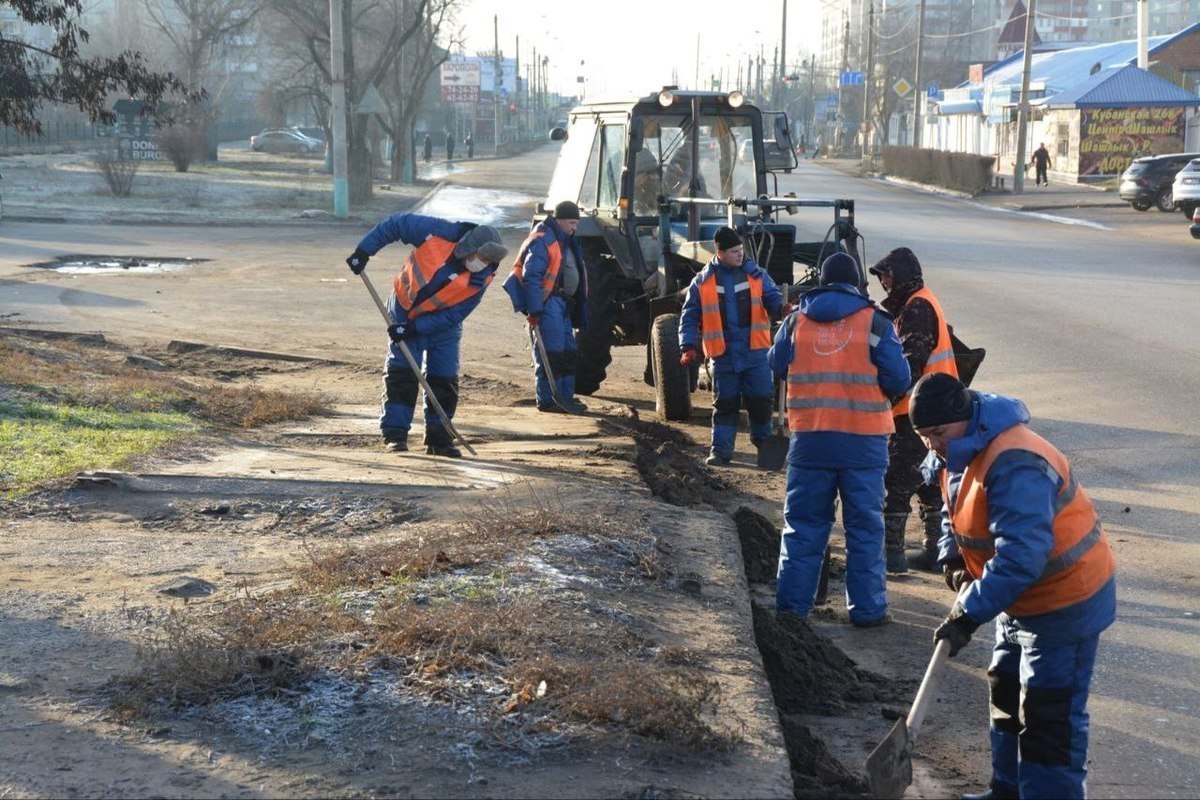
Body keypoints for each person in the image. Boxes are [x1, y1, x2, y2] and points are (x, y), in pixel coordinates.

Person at [909, 373, 1117, 800]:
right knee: (1005, 690)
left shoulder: (1016, 461)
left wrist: (968, 615)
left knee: (1047, 715)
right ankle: (1007, 790)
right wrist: (952, 556)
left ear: (962, 418)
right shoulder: (959, 447)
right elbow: (956, 504)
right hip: (1015, 596)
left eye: (937, 433)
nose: (932, 444)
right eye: (923, 436)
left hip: (1064, 599)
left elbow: (1022, 555)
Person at [768, 253, 910, 625]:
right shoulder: (876, 322)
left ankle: (792, 610)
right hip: (864, 443)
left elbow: (775, 362)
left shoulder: (796, 320)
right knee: (864, 529)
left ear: (823, 282)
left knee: (803, 526)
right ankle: (867, 611)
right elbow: (898, 377)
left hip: (810, 440)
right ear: (857, 282)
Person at [345, 215, 509, 457]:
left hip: (443, 326)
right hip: (404, 308)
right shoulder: (439, 233)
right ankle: (395, 434)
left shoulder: (483, 276)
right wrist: (365, 250)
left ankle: (439, 439)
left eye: (487, 261)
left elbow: (456, 314)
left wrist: (414, 329)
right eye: (481, 257)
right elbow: (396, 225)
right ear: (470, 248)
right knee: (402, 373)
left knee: (444, 379)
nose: (481, 263)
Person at [868, 246, 960, 574]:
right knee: (928, 480)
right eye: (881, 277)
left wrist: (887, 398)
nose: (884, 282)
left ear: (904, 274)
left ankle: (892, 555)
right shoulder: (919, 300)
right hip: (935, 407)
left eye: (888, 275)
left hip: (916, 410)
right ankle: (934, 549)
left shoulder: (916, 307)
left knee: (897, 479)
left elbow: (912, 364)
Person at [680, 226, 785, 466]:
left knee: (761, 402)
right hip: (723, 355)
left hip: (756, 353)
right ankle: (721, 452)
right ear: (720, 252)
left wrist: (781, 308)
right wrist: (687, 346)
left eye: (741, 250)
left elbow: (773, 298)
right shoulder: (702, 283)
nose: (740, 255)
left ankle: (765, 451)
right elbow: (689, 317)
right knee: (725, 404)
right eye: (735, 251)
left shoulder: (756, 274)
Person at [503, 201, 589, 413]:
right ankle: (549, 400)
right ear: (559, 220)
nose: (574, 227)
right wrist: (535, 311)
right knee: (551, 354)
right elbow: (532, 277)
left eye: (576, 223)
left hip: (563, 305)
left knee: (568, 353)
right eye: (571, 222)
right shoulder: (543, 240)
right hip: (548, 305)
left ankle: (565, 397)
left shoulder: (565, 240)